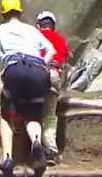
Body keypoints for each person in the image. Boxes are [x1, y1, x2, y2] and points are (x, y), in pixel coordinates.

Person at [0, 0, 54, 177]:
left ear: (3, 14)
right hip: (38, 70)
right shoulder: (31, 29)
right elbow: (51, 50)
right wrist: (43, 66)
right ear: (20, 12)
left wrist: (0, 87)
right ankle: (36, 142)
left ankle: (7, 158)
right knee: (33, 115)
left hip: (15, 68)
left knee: (6, 114)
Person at [35, 10, 70, 160]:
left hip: (36, 74)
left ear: (38, 25)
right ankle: (50, 151)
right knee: (49, 115)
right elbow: (65, 58)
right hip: (54, 75)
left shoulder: (34, 36)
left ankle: (31, 149)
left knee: (32, 113)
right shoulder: (61, 40)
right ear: (53, 25)